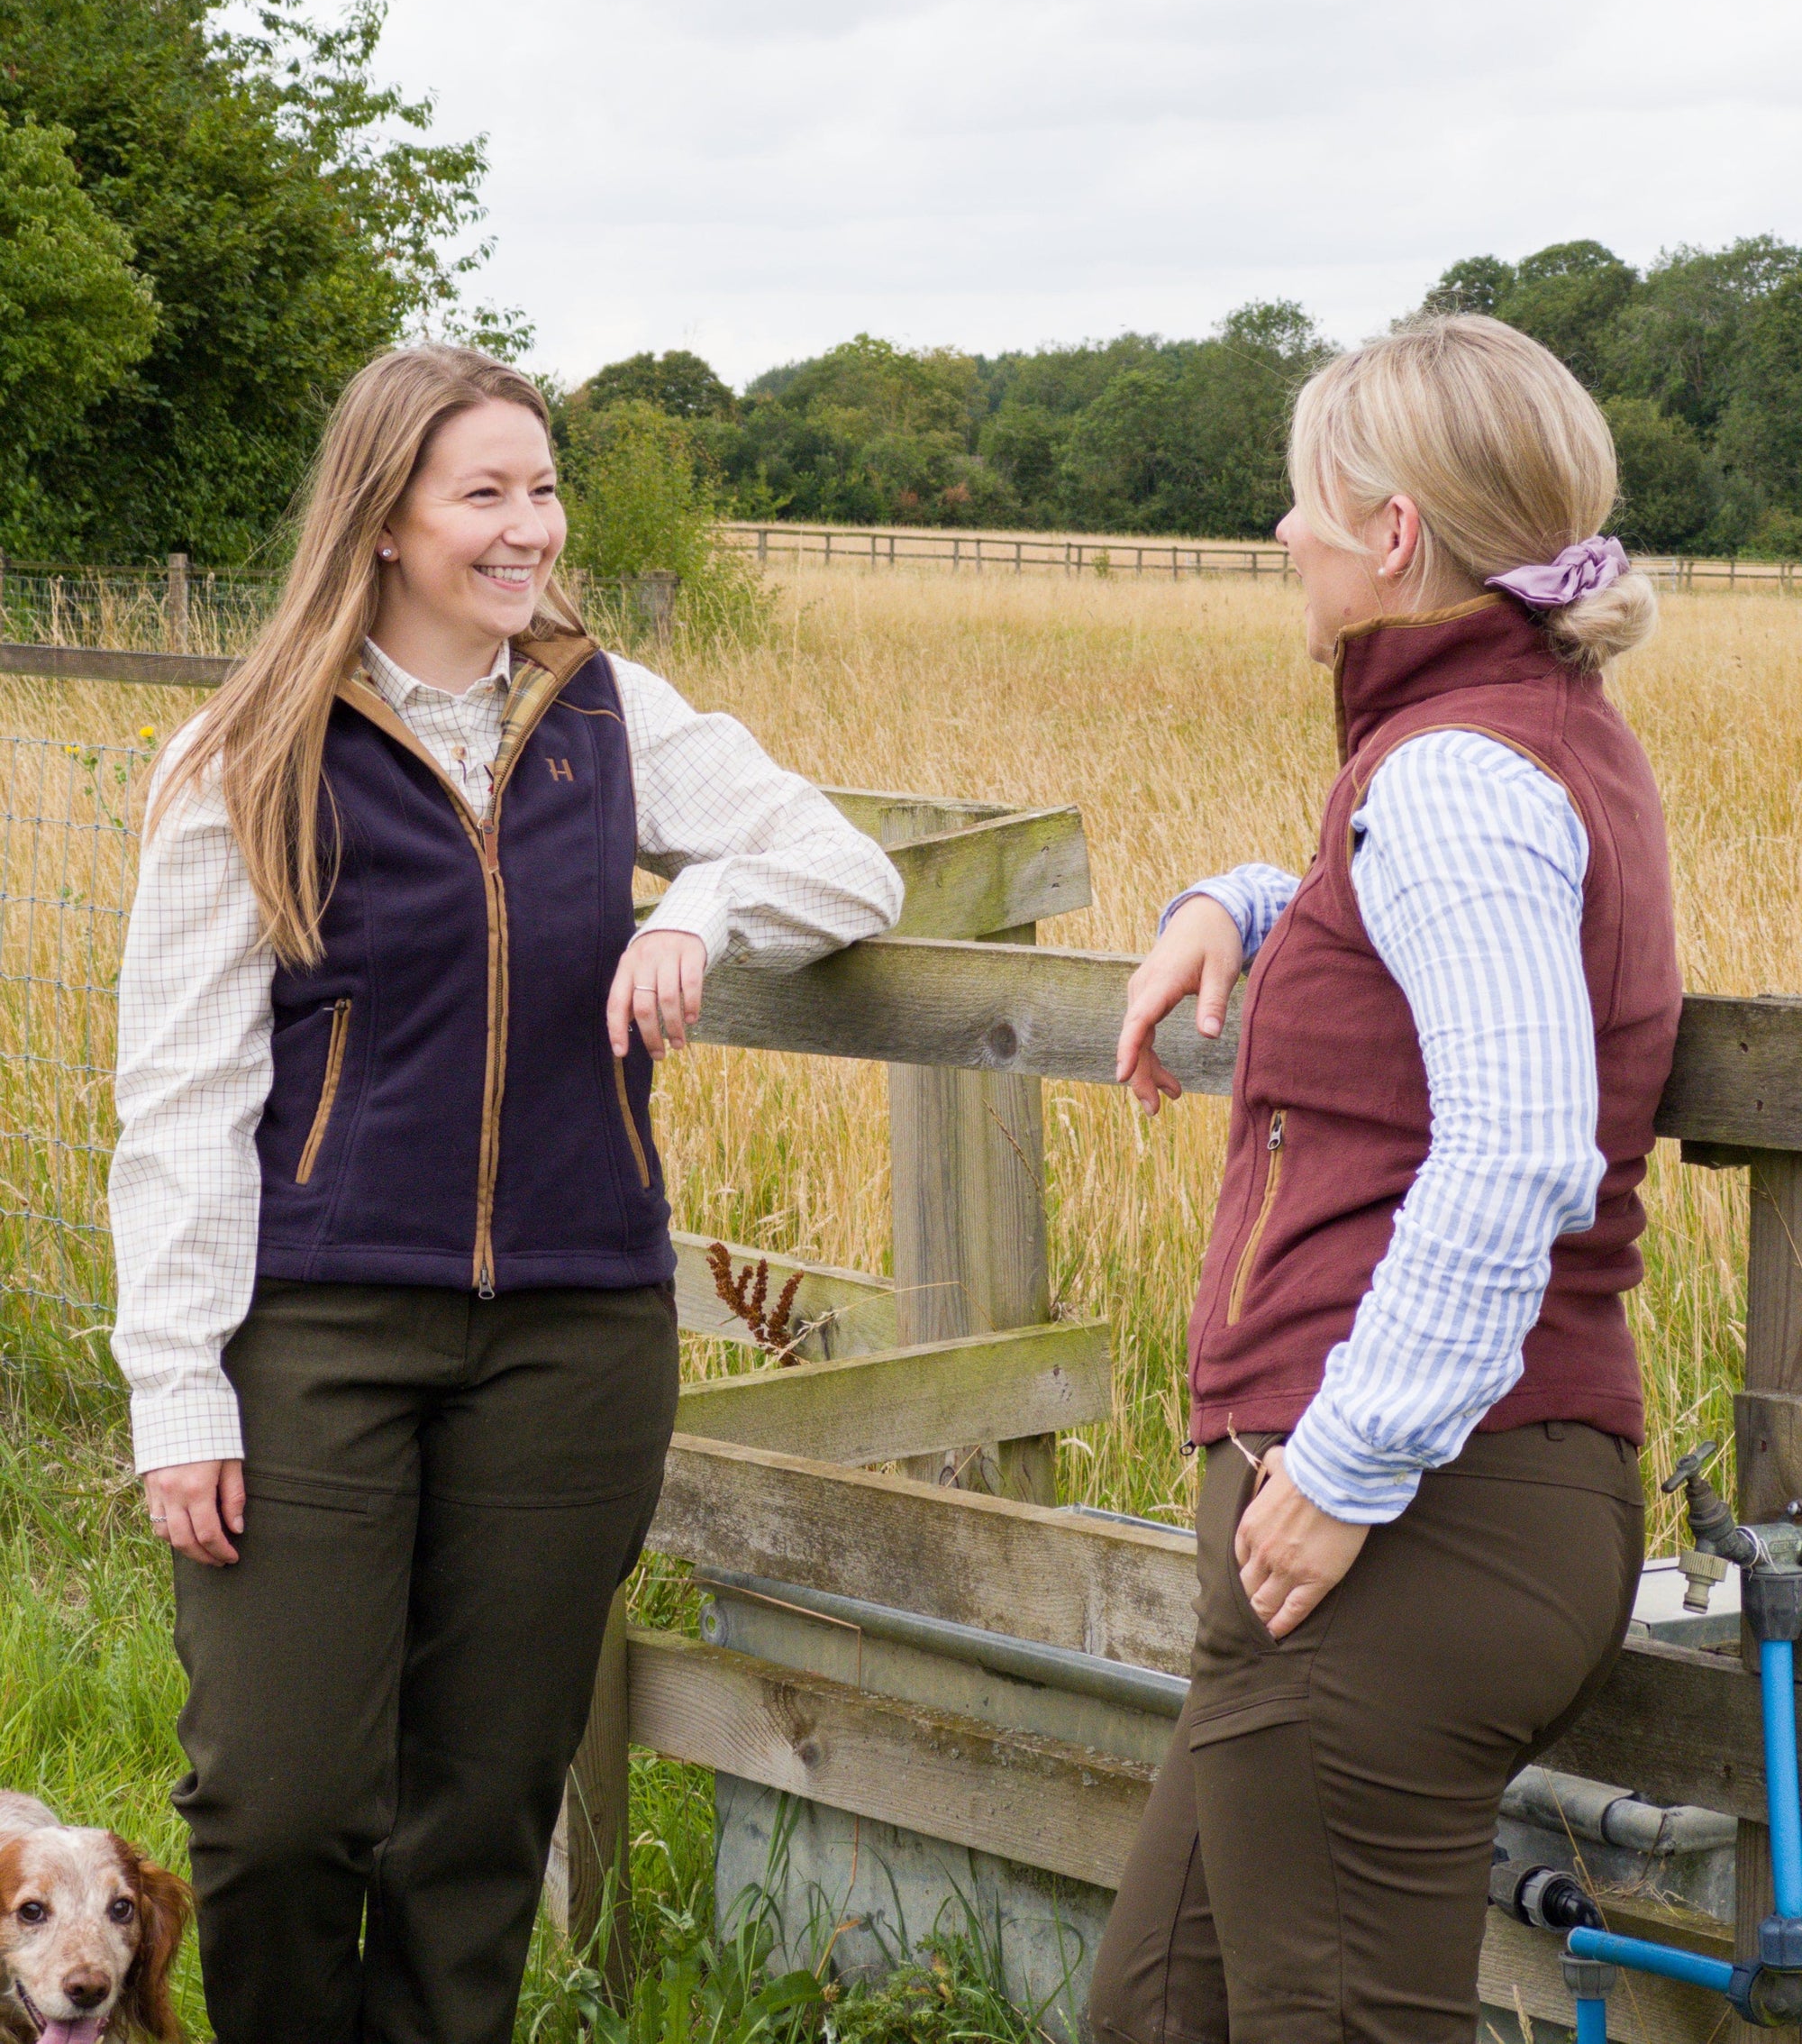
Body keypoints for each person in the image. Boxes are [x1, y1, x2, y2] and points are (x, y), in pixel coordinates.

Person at [108, 344, 904, 2044]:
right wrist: (178, 1385)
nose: (528, 527)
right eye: (485, 493)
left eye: (542, 488)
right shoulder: (248, 749)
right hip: (315, 1329)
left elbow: (847, 865)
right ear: (385, 516)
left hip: (575, 1330)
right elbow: (181, 1092)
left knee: (479, 1821)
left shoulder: (616, 714)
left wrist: (700, 911)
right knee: (281, 1805)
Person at [1087, 316, 1683, 2044]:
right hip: (1420, 1513)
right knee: (1165, 2014)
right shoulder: (1504, 746)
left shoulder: (1454, 776)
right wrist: (1248, 899)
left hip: (1408, 1514)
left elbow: (1512, 1148)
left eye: (1302, 503)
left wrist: (1345, 1469)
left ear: (1394, 534)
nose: (1284, 535)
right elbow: (1440, 956)